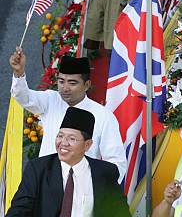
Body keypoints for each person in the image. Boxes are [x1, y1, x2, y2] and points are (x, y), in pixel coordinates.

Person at [0, 107, 137, 217]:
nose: (63, 143)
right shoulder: (38, 169)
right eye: (60, 136)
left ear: (87, 145)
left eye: (71, 138)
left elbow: (118, 210)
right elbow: (19, 209)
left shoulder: (104, 172)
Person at [9, 50, 127, 181]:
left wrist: (97, 189)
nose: (65, 88)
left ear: (86, 85)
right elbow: (23, 97)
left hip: (82, 189)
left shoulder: (103, 116)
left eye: (72, 83)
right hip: (45, 183)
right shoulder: (50, 100)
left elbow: (117, 164)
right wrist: (18, 74)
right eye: (61, 81)